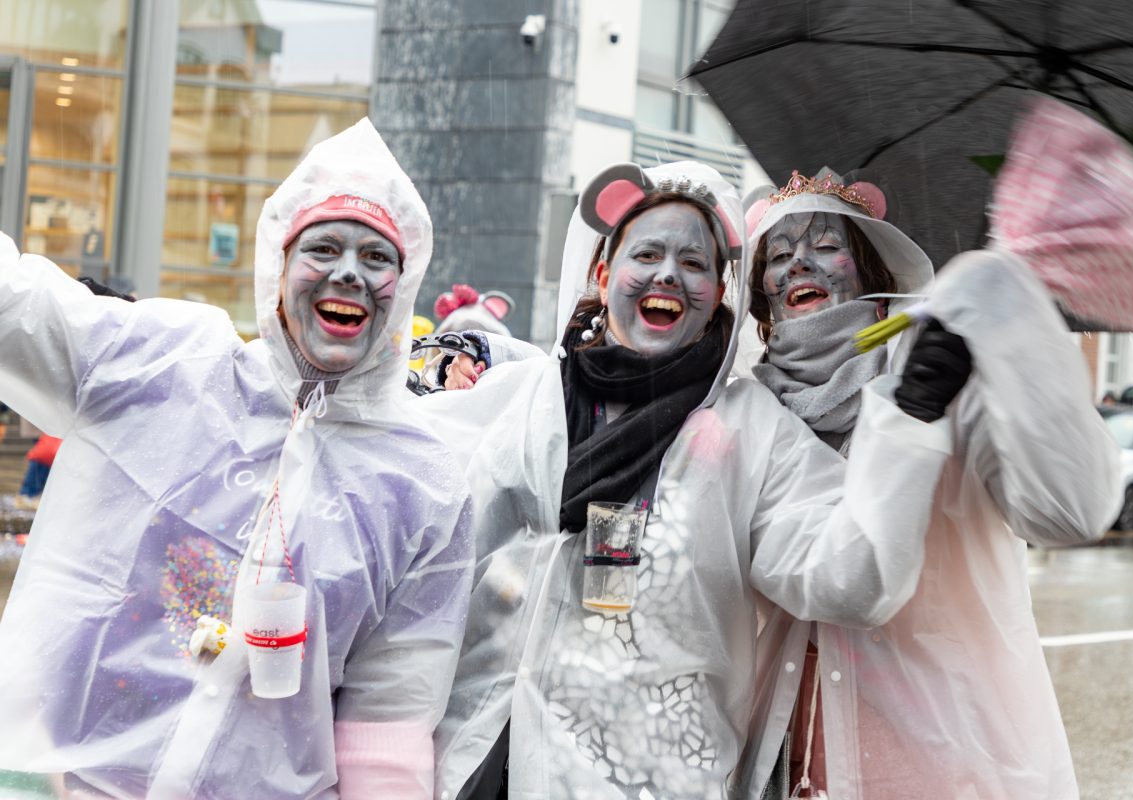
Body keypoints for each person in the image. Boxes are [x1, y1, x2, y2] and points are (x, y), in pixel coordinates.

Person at [432, 161, 969, 799]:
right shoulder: (529, 403)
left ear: (719, 291)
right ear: (603, 276)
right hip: (484, 764)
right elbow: (411, 526)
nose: (667, 274)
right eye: (647, 254)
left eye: (693, 263)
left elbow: (852, 580)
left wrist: (911, 423)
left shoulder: (751, 433)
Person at [0, 119, 473, 798]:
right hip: (71, 783)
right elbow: (19, 307)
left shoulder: (422, 485)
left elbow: (390, 718)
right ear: (277, 268)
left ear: (403, 287)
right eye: (325, 247)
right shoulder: (169, 365)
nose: (349, 272)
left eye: (377, 258)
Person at [737, 167, 1122, 799]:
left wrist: (1016, 335)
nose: (800, 261)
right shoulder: (748, 412)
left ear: (871, 272)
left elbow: (1070, 510)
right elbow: (825, 579)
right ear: (762, 298)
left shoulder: (950, 366)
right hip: (801, 764)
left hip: (956, 765)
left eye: (825, 245)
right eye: (778, 254)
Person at [13, 433, 61, 511]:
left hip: (41, 456)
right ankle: (25, 497)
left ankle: (26, 497)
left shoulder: (50, 433)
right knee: (36, 480)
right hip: (47, 457)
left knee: (34, 479)